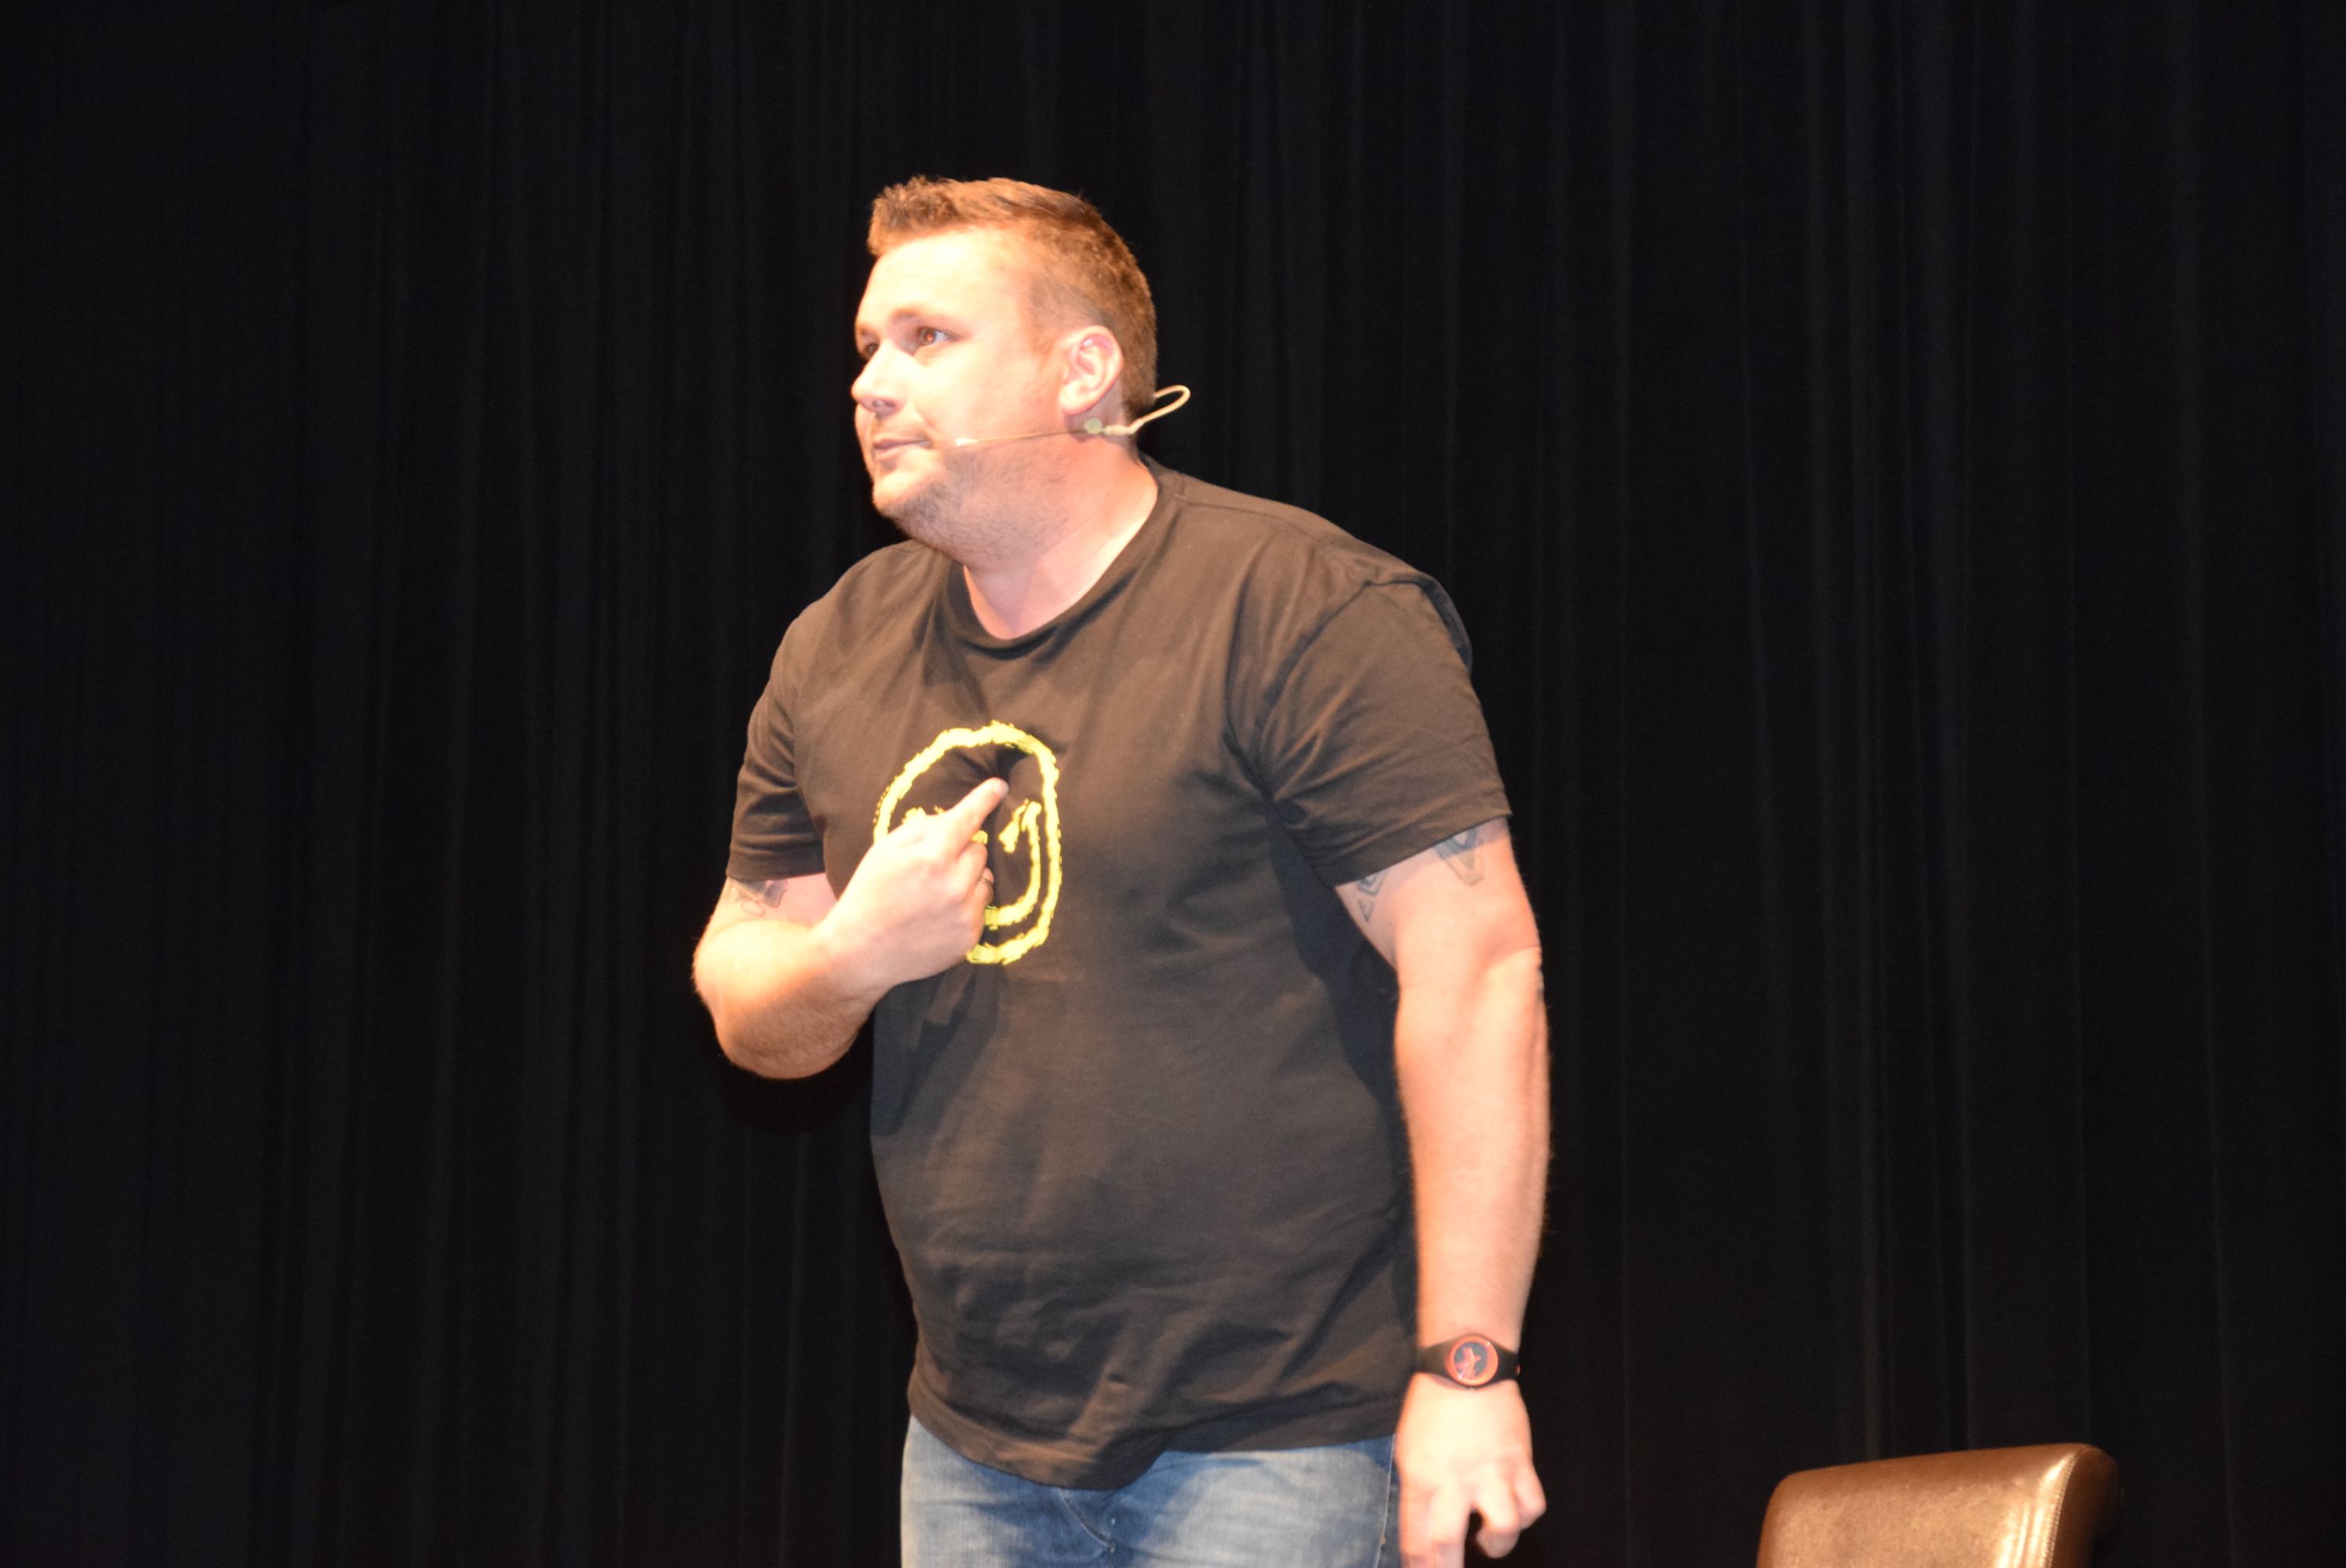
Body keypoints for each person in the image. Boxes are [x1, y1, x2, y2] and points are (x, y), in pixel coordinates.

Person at [693, 176, 1549, 1568]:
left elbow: (1480, 969)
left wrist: (1469, 1366)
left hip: (1285, 1440)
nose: (870, 383)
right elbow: (748, 999)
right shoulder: (834, 645)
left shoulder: (1305, 609)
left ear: (1083, 370)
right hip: (972, 1439)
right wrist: (848, 960)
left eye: (927, 339)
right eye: (866, 347)